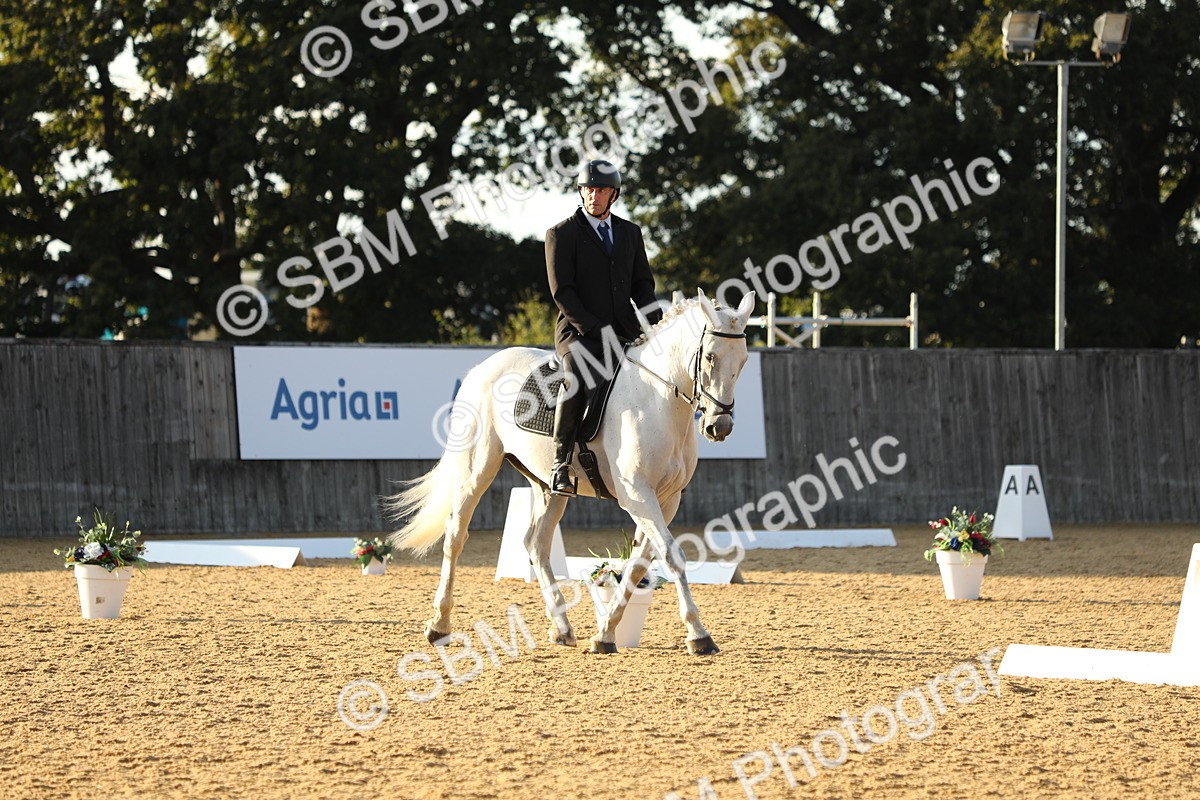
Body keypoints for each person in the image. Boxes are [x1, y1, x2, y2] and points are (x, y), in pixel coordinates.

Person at [544, 159, 662, 496]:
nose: (594, 196)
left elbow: (643, 287)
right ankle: (560, 463)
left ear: (614, 195)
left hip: (623, 330)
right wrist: (595, 329)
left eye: (601, 190)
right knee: (575, 377)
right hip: (579, 332)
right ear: (581, 191)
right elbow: (562, 292)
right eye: (589, 189)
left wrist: (658, 325)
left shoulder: (630, 233)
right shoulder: (561, 234)